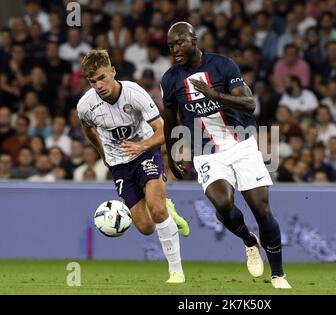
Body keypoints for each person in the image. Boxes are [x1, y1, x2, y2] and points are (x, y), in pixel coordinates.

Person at [161, 22, 291, 289]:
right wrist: (172, 154)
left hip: (241, 144)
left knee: (262, 211)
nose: (175, 49)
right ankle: (248, 240)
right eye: (171, 45)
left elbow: (249, 104)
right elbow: (171, 121)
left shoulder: (222, 65)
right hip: (206, 151)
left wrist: (214, 95)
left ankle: (278, 274)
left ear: (194, 40)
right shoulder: (170, 79)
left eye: (180, 43)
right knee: (222, 203)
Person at [76, 49, 189, 283]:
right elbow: (87, 128)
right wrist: (102, 154)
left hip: (145, 153)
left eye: (102, 78)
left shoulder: (134, 93)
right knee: (147, 227)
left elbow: (164, 131)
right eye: (92, 81)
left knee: (156, 210)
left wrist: (143, 146)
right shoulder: (85, 106)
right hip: (119, 164)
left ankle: (176, 271)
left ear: (113, 72)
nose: (98, 85)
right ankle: (168, 206)